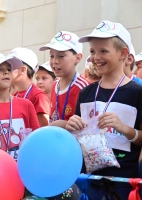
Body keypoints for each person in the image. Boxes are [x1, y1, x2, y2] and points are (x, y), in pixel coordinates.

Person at [66, 20, 142, 199]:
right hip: (88, 181)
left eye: (103, 51)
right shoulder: (86, 92)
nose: (95, 57)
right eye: (92, 51)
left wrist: (125, 129)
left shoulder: (137, 93)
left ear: (123, 53)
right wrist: (72, 126)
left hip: (124, 184)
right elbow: (78, 137)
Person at [39, 31, 89, 126]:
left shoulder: (84, 87)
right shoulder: (55, 84)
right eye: (51, 56)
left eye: (61, 56)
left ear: (78, 58)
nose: (54, 61)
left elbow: (89, 125)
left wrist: (62, 125)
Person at [8, 47, 50, 126]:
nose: (6, 71)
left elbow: (42, 129)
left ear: (23, 70)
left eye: (10, 68)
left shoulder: (38, 96)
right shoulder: (14, 96)